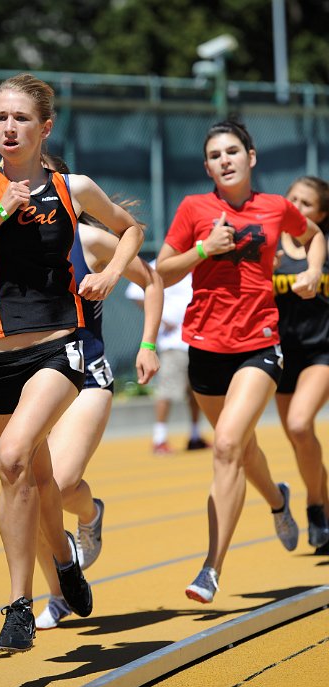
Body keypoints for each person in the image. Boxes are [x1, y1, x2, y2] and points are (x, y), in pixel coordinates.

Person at [0, 74, 144, 652]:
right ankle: (66, 561)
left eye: (21, 118)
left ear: (44, 127)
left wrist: (106, 272)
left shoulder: (72, 187)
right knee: (39, 475)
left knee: (11, 461)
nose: (9, 127)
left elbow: (131, 231)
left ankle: (18, 607)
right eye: (0, 117)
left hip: (58, 348)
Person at [156, 119, 327, 604]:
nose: (224, 160)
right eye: (215, 155)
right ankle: (278, 499)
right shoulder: (193, 209)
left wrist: (313, 270)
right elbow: (161, 274)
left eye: (233, 151)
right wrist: (201, 250)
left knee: (227, 445)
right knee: (244, 451)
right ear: (207, 166)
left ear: (251, 157)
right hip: (206, 349)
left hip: (260, 345)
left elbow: (314, 235)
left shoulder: (275, 208)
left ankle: (211, 568)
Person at [34, 153, 162, 630]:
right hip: (30, 376)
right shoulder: (3, 235)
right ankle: (58, 595)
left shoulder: (87, 237)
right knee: (28, 492)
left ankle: (90, 512)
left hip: (86, 374)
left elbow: (151, 281)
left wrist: (148, 343)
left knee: (61, 483)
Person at [273, 175, 329, 552]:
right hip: (280, 355)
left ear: (321, 214)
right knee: (298, 439)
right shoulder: (270, 245)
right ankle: (324, 506)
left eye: (306, 202)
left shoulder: (323, 248)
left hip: (321, 351)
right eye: (292, 197)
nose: (296, 205)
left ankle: (313, 507)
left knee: (299, 423)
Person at [125, 266, 210, 454]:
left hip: (199, 341)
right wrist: (161, 318)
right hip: (174, 343)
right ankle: (159, 438)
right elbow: (133, 291)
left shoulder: (200, 262)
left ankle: (195, 436)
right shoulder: (162, 264)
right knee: (167, 391)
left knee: (197, 393)